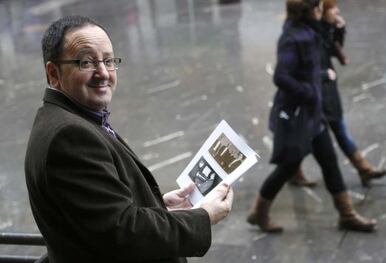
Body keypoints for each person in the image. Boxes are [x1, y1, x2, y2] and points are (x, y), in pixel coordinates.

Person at [24, 15, 233, 263]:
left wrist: (158, 207)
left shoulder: (71, 117)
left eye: (109, 60)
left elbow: (99, 215)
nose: (103, 73)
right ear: (54, 73)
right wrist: (204, 216)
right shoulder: (69, 136)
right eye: (87, 62)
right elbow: (122, 233)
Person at [247, 0, 376, 233]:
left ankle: (347, 215)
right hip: (298, 117)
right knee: (287, 168)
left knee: (329, 162)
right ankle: (258, 212)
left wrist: (320, 74)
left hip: (313, 116)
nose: (321, 11)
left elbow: (315, 58)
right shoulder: (293, 38)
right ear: (309, 12)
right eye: (318, 8)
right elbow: (281, 77)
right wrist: (309, 90)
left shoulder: (309, 31)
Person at [289, 0, 386, 188]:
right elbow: (296, 71)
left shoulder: (319, 29)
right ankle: (290, 171)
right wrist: (323, 74)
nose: (337, 11)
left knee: (338, 128)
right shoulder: (305, 35)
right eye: (332, 8)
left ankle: (363, 169)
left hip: (326, 91)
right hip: (316, 94)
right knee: (311, 139)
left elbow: (332, 50)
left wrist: (338, 28)